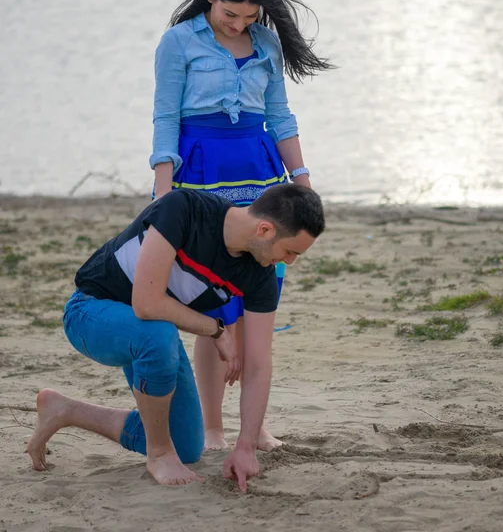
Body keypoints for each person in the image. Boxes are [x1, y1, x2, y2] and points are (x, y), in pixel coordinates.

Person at [26, 184, 325, 491]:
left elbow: (260, 363)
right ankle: (158, 454)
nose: (289, 262)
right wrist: (215, 330)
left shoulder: (259, 275)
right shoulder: (184, 208)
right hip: (89, 312)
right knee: (158, 332)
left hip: (150, 333)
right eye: (290, 251)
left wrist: (245, 446)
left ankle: (64, 410)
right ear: (265, 229)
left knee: (186, 446)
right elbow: (146, 303)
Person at [150, 0, 333, 451]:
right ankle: (212, 428)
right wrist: (163, 195)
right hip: (200, 180)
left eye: (249, 17)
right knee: (212, 308)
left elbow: (279, 116)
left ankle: (254, 425)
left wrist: (303, 179)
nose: (239, 25)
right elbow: (166, 119)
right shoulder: (178, 42)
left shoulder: (267, 44)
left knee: (254, 303)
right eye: (231, 14)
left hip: (260, 179)